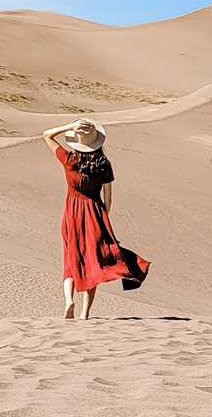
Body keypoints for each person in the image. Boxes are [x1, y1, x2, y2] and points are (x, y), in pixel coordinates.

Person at [42, 117, 150, 318]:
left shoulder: (69, 160)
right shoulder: (104, 165)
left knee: (70, 257)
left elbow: (46, 135)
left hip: (71, 214)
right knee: (93, 261)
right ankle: (84, 313)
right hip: (95, 215)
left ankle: (69, 300)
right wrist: (103, 220)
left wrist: (69, 127)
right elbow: (108, 199)